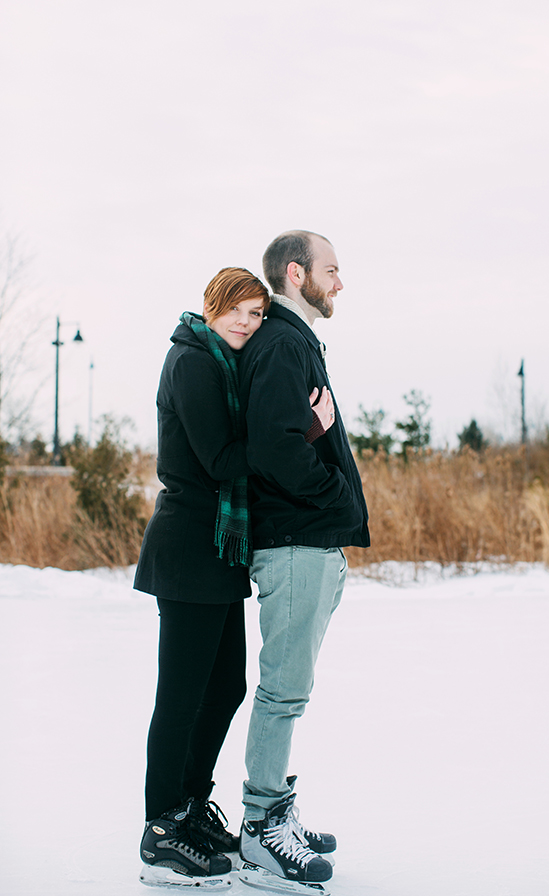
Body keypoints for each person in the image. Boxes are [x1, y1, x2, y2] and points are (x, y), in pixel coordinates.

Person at [135, 268, 334, 889]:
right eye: (237, 312)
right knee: (181, 696)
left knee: (222, 689)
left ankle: (192, 807)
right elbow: (221, 460)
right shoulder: (193, 362)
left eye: (255, 313)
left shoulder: (222, 363)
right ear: (211, 308)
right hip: (188, 544)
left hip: (217, 550)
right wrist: (296, 434)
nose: (247, 323)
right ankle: (161, 829)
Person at [235, 230, 370, 892]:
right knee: (282, 691)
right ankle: (261, 828)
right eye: (332, 270)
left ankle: (272, 810)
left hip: (305, 542)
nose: (341, 282)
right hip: (294, 544)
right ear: (296, 274)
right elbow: (275, 449)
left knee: (290, 690)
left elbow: (293, 435)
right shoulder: (285, 344)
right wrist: (338, 497)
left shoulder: (291, 343)